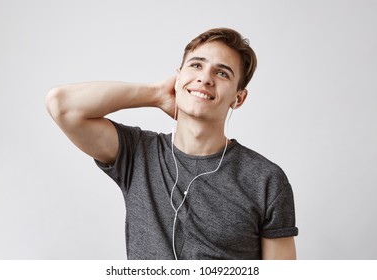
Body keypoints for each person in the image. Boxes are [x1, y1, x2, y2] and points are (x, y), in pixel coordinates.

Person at [46, 27, 298, 260]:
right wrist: (155, 94)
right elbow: (62, 105)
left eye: (222, 73)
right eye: (196, 65)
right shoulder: (138, 153)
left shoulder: (265, 179)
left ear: (238, 98)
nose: (205, 78)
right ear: (177, 79)